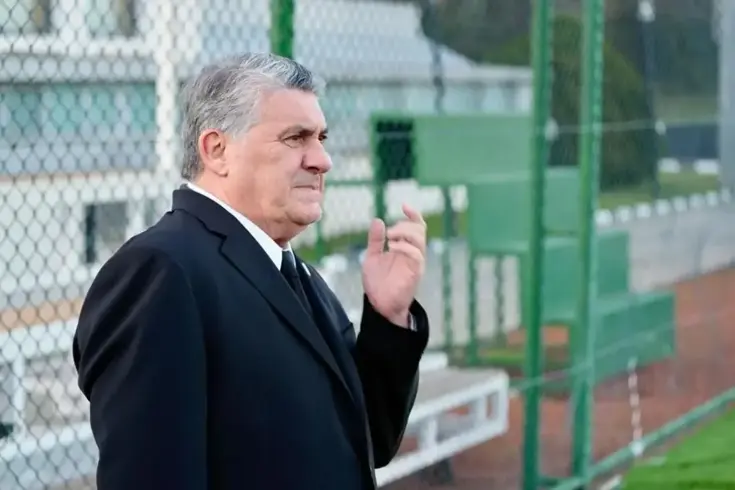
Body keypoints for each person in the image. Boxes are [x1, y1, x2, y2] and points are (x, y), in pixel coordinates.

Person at [72, 52, 430, 490]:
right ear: (217, 150)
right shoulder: (160, 271)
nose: (322, 160)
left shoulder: (299, 276)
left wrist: (388, 317)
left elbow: (367, 440)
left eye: (321, 137)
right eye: (296, 138)